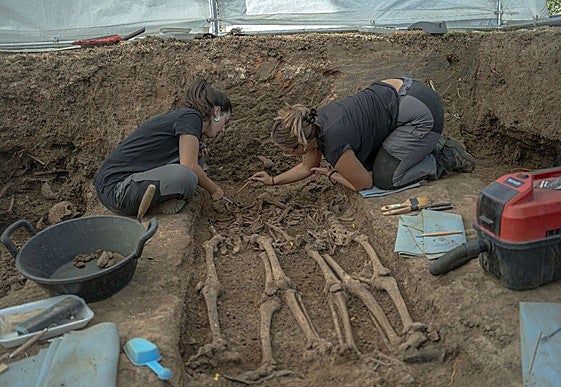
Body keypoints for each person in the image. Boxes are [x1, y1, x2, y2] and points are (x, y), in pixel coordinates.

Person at [249, 77, 475, 191]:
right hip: (405, 91)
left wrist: (332, 174)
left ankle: (444, 157)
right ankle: (428, 145)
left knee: (386, 178)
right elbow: (308, 167)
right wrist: (273, 180)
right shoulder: (314, 122)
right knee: (369, 162)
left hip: (421, 115)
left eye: (290, 152)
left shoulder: (333, 142)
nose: (291, 156)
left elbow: (364, 184)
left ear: (301, 143)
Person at [93, 78, 231, 215]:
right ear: (217, 112)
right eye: (225, 121)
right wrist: (215, 190)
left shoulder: (186, 119)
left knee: (196, 160)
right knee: (187, 176)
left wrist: (196, 152)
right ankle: (152, 208)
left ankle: (151, 205)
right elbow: (189, 165)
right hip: (117, 190)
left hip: (119, 191)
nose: (223, 129)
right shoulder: (192, 117)